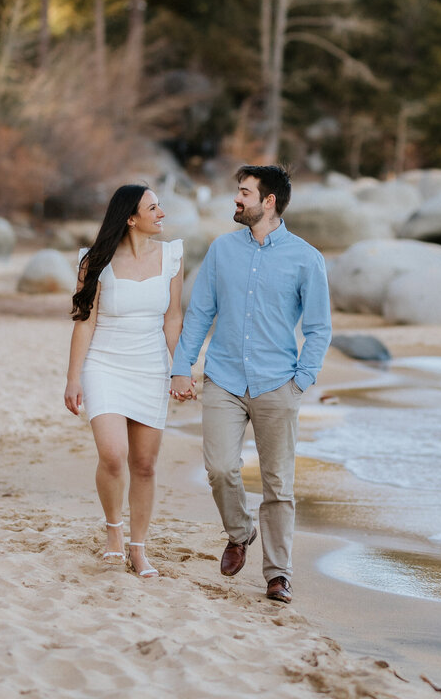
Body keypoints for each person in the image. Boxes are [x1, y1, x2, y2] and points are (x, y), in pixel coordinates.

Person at [170, 165, 331, 604]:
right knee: (220, 468)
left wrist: (302, 381)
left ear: (269, 201)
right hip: (223, 378)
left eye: (244, 193)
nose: (236, 200)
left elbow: (319, 328)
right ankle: (240, 532)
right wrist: (181, 367)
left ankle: (279, 574)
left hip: (277, 383)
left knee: (278, 485)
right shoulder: (222, 251)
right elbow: (200, 313)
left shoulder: (305, 258)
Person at [64, 184, 185, 579]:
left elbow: (172, 319)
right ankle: (113, 534)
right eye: (154, 208)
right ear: (131, 218)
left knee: (145, 464)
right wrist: (73, 378)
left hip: (150, 366)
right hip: (104, 365)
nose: (162, 213)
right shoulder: (93, 260)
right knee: (113, 454)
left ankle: (138, 548)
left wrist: (179, 368)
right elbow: (85, 321)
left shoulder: (172, 257)